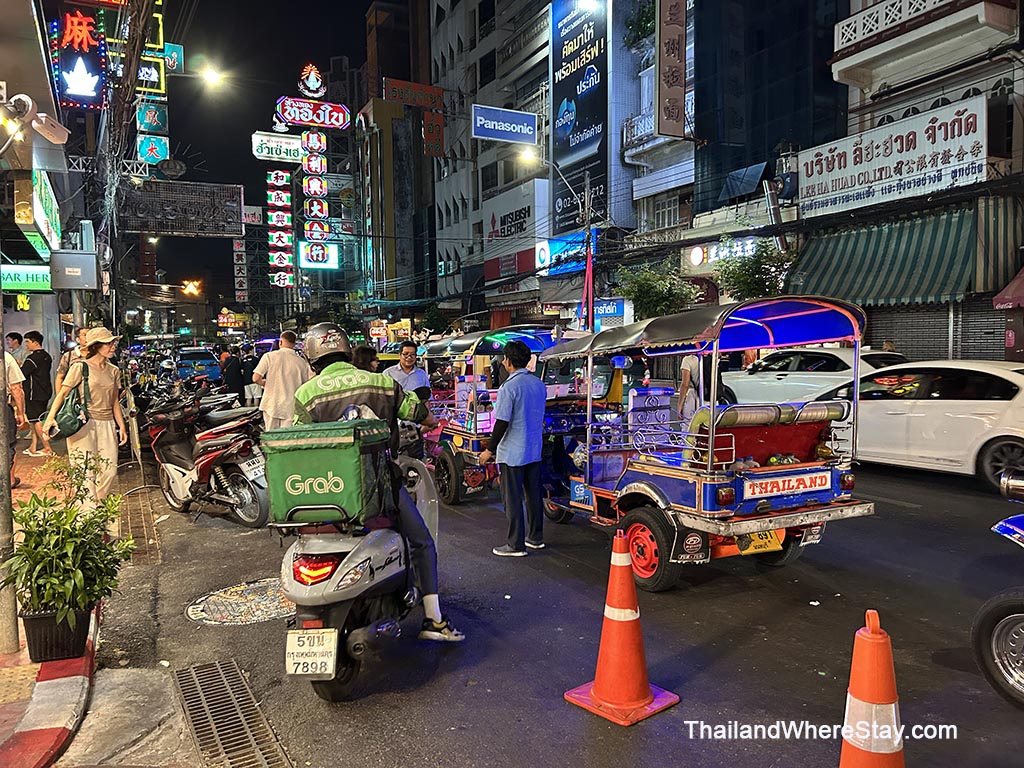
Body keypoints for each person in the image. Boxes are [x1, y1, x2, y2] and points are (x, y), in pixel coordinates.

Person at [293, 323, 464, 643]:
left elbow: (299, 442)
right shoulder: (383, 383)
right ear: (347, 351)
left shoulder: (306, 394)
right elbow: (422, 415)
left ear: (313, 361)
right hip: (381, 485)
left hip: (327, 491)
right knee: (422, 543)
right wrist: (429, 424)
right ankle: (434, 620)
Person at [478, 340, 548, 557]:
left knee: (513, 498)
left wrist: (489, 450)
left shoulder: (509, 387)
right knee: (533, 496)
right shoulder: (539, 384)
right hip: (534, 449)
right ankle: (535, 538)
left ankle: (515, 544)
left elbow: (501, 422)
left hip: (512, 453)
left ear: (507, 361)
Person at [44, 328, 128, 504]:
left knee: (109, 470)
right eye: (109, 343)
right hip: (84, 423)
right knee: (84, 472)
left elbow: (114, 402)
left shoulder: (113, 371)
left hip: (107, 423)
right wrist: (50, 418)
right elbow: (62, 394)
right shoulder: (80, 367)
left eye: (113, 343)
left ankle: (97, 505)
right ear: (96, 346)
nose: (113, 347)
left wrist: (121, 426)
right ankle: (89, 514)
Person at [252, 331, 313, 430]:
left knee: (271, 437)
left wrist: (265, 383)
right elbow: (306, 385)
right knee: (287, 439)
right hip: (291, 408)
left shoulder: (269, 356)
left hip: (271, 405)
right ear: (294, 343)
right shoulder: (302, 363)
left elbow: (255, 378)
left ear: (280, 342)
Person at [20, 331, 52, 457]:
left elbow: (22, 373)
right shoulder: (46, 356)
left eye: (27, 342)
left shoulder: (32, 358)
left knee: (37, 420)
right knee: (35, 420)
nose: (26, 345)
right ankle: (33, 446)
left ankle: (47, 448)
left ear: (35, 342)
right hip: (44, 391)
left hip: (34, 393)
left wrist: (19, 365)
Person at [4, 351, 27, 489]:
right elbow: (16, 388)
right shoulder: (6, 357)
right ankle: (10, 480)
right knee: (8, 445)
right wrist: (21, 412)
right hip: (2, 407)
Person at [677, 352, 701, 428]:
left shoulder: (688, 360)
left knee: (689, 427)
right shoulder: (713, 356)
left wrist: (680, 405)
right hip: (711, 397)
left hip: (694, 398)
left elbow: (685, 384)